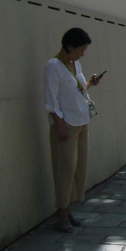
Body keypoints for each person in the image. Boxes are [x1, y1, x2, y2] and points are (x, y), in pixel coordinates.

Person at [44, 28, 104, 234]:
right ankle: (60, 213)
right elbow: (51, 101)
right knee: (64, 168)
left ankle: (67, 208)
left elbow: (77, 90)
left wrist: (90, 84)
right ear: (69, 47)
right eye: (80, 50)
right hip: (66, 124)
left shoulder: (75, 64)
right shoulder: (54, 66)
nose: (82, 54)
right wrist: (59, 126)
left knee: (78, 167)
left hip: (81, 120)